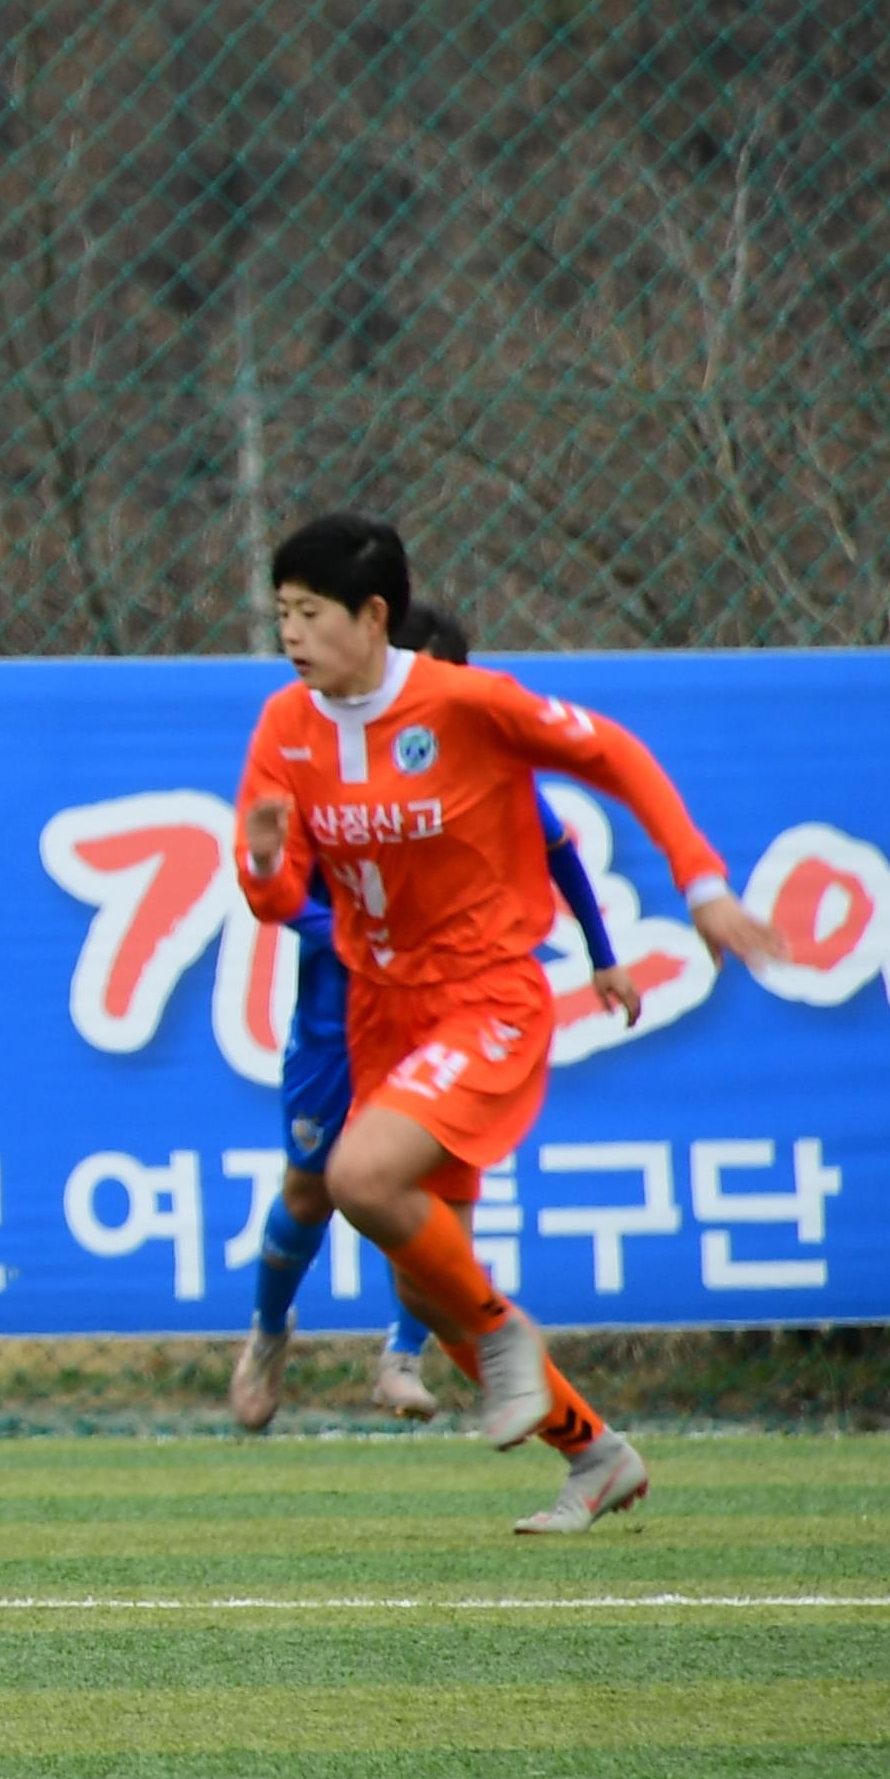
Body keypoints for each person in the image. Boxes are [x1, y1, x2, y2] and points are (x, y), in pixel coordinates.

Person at [233, 513, 781, 1532]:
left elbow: (614, 754)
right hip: (378, 1012)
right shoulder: (285, 727)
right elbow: (273, 899)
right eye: (282, 614)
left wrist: (702, 883)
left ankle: (504, 1344)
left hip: (486, 995)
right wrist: (266, 860)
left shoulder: (466, 703)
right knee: (436, 1290)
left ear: (373, 614)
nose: (292, 634)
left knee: (357, 1178)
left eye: (310, 613)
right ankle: (598, 1455)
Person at [228, 603, 640, 1433]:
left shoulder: (473, 755)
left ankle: (405, 1355)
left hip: (445, 1009)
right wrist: (354, 939)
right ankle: (269, 1333)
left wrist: (602, 952)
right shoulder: (314, 751)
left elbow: (553, 842)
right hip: (338, 1009)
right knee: (312, 1190)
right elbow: (279, 888)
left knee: (405, 1185)